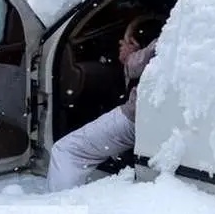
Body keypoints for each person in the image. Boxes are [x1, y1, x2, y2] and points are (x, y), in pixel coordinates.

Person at [46, 14, 164, 192]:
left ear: (134, 42)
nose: (120, 46)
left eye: (123, 41)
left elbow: (147, 58)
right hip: (156, 118)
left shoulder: (169, 39)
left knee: (67, 151)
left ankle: (62, 212)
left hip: (139, 115)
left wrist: (131, 56)